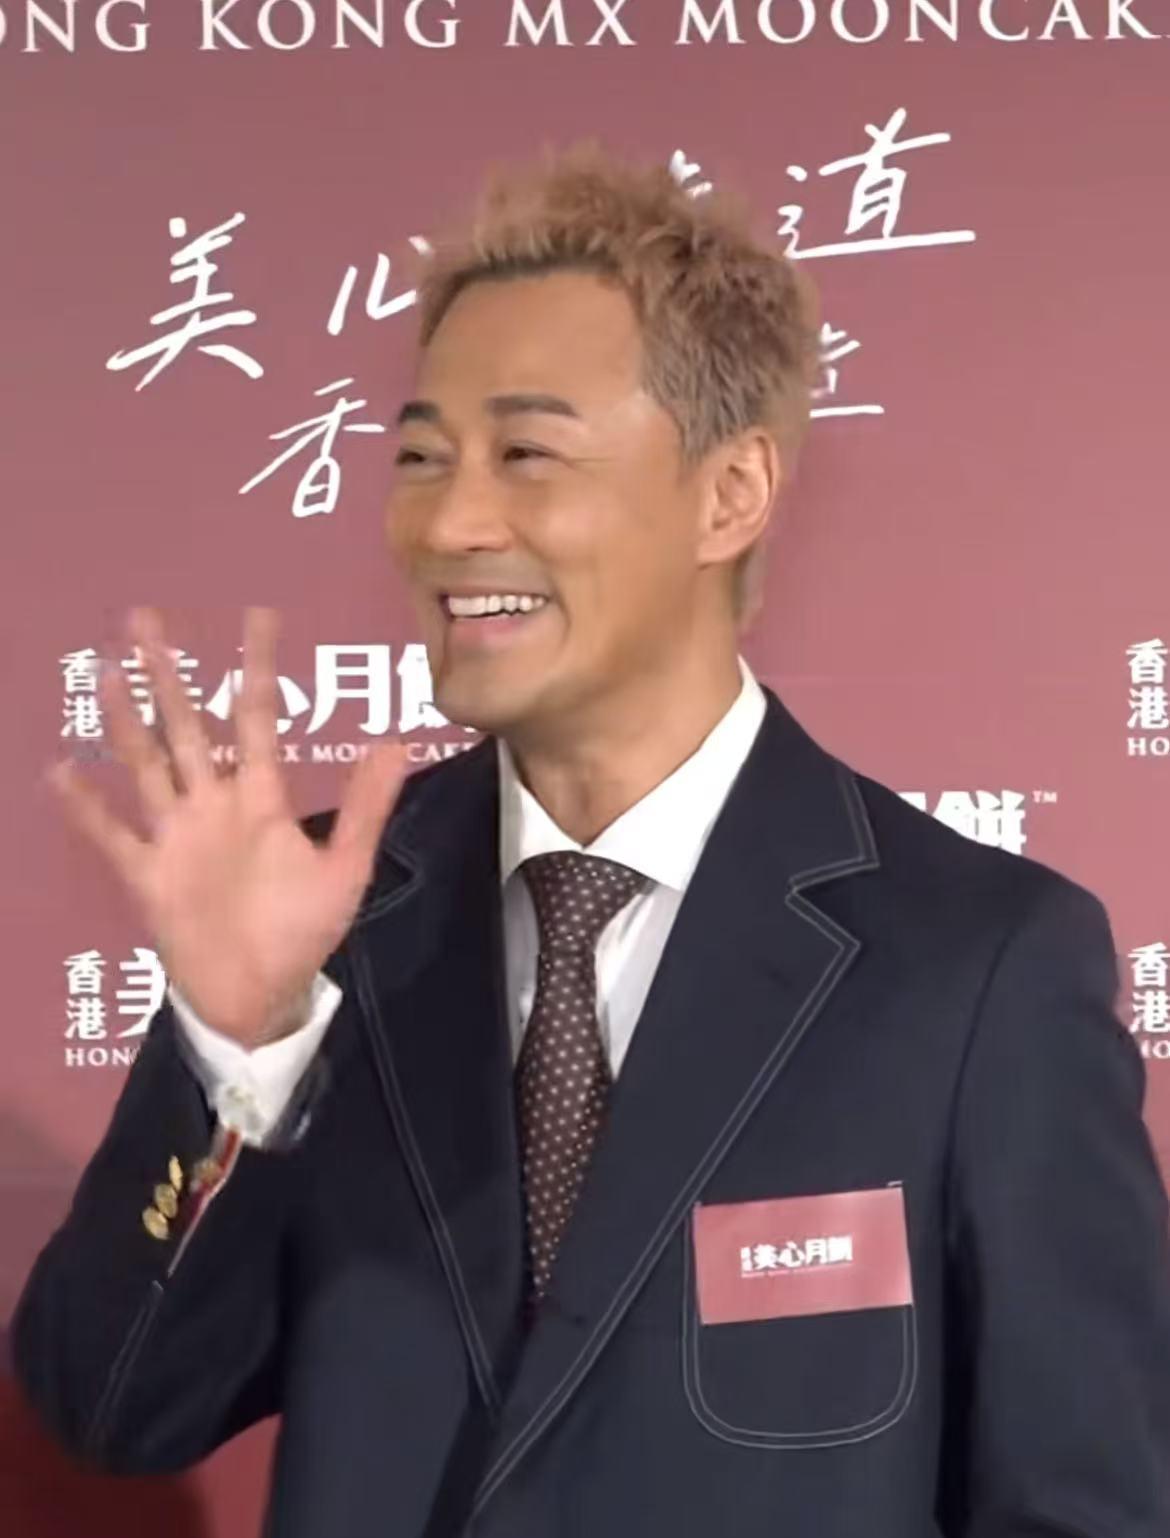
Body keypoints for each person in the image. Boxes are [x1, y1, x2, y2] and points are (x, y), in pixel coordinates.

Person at [12, 143, 1170, 1538]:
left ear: (730, 493)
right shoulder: (327, 924)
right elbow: (111, 1408)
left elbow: (1084, 1505)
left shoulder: (974, 964)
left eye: (526, 453)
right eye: (421, 456)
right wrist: (235, 1046)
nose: (450, 523)